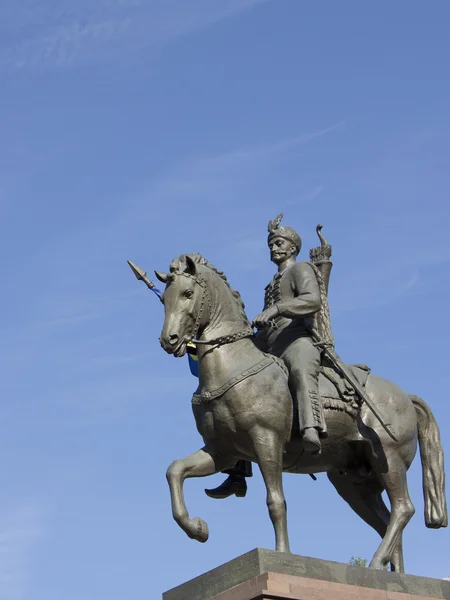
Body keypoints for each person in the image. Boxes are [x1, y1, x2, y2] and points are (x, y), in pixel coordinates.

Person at [205, 214, 326, 500]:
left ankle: (310, 427)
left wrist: (276, 310)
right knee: (239, 389)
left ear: (293, 247)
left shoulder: (301, 269)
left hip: (296, 337)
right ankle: (237, 471)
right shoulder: (272, 282)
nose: (274, 248)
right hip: (270, 341)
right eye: (271, 244)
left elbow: (313, 300)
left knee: (299, 369)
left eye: (279, 243)